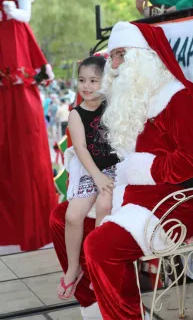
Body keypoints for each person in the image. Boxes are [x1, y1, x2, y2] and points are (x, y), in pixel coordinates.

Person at [50, 21, 193, 319]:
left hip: (173, 203)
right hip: (127, 193)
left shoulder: (179, 95)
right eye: (111, 56)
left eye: (120, 55)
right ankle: (94, 306)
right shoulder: (131, 95)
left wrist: (144, 168)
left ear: (144, 56)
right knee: (60, 219)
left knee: (101, 247)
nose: (112, 65)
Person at [0, 0, 57, 253]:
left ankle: (33, 226)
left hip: (16, 46)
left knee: (26, 140)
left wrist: (12, 11)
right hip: (5, 45)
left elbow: (26, 15)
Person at [57, 56, 118, 300]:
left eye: (94, 80)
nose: (87, 86)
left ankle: (98, 267)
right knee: (72, 216)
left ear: (105, 82)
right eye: (82, 80)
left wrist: (105, 179)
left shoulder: (113, 106)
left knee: (104, 205)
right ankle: (74, 267)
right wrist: (97, 177)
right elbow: (81, 148)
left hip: (115, 168)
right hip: (90, 169)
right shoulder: (76, 114)